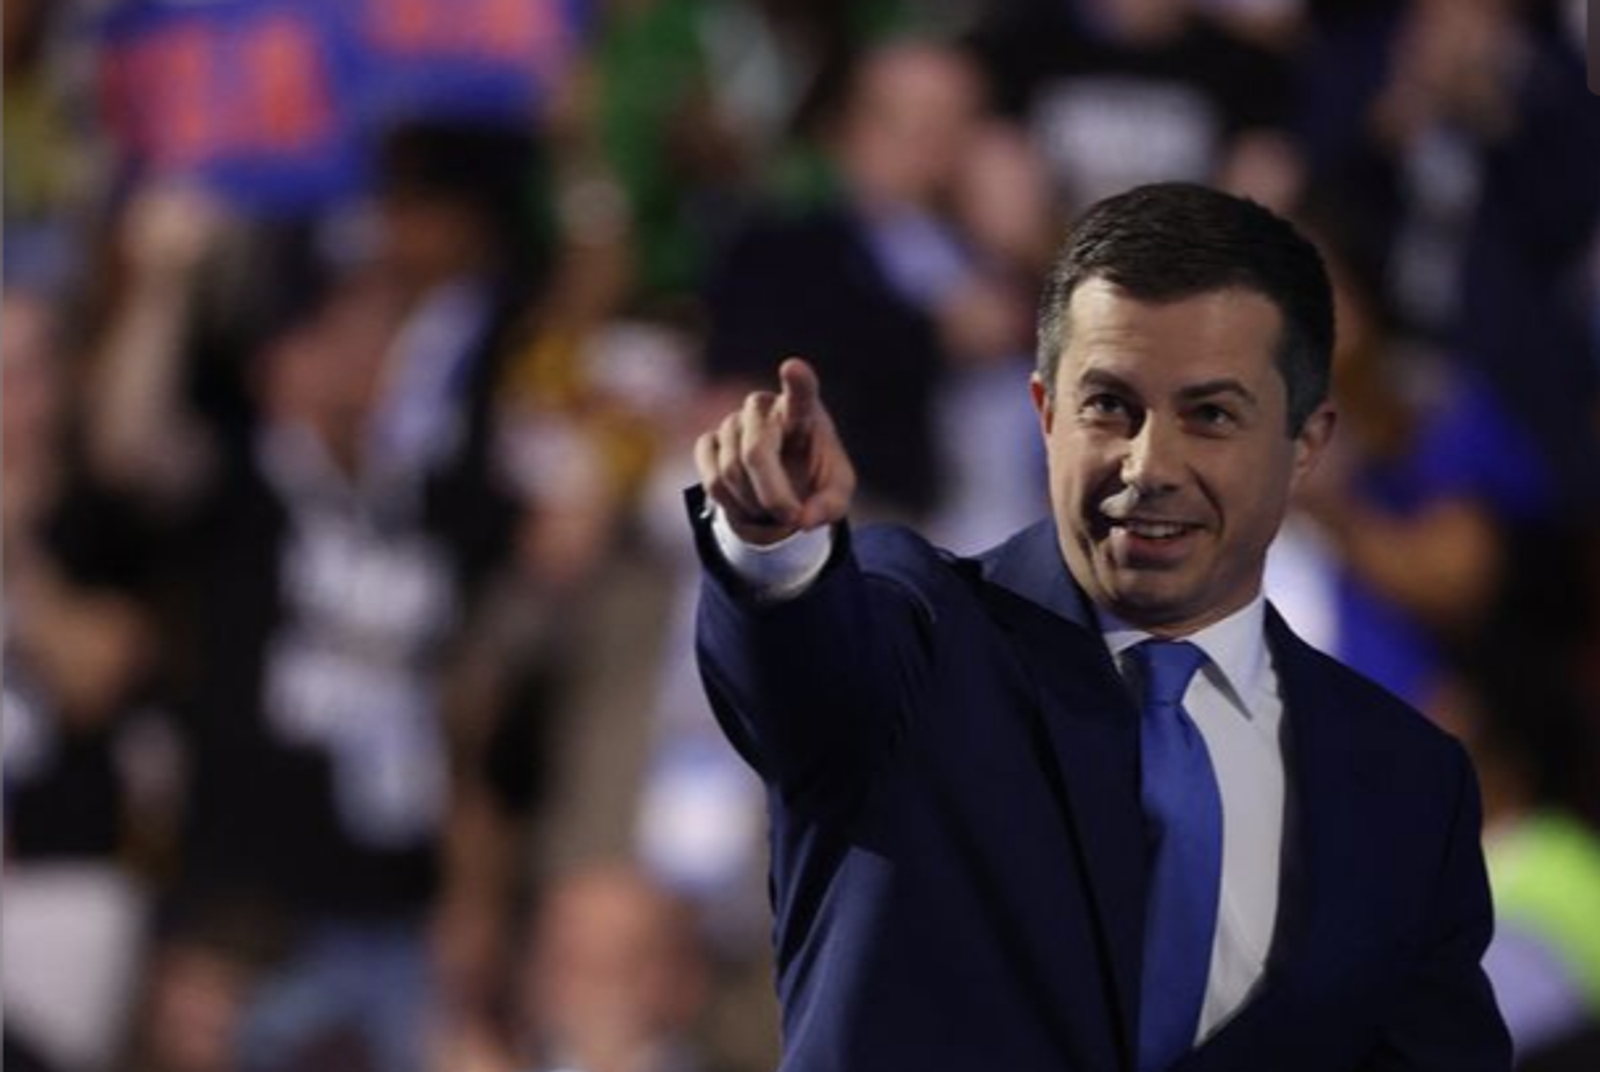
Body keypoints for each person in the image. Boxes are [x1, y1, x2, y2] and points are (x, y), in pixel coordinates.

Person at [689, 182, 1510, 1070]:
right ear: (1046, 413)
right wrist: (773, 545)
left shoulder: (1405, 784)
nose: (1149, 465)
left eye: (1211, 414)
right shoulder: (915, 638)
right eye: (1110, 405)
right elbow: (799, 666)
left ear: (1306, 442)